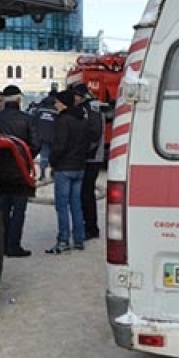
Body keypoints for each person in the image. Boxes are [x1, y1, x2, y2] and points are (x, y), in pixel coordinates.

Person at [0, 85, 40, 258]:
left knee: (2, 208)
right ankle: (14, 245)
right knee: (19, 209)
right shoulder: (28, 119)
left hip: (0, 169)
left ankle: (1, 244)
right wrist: (26, 158)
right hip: (21, 170)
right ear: (19, 99)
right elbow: (36, 144)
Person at [45, 89, 89, 254]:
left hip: (64, 168)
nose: (55, 104)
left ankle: (63, 240)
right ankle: (79, 239)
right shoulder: (82, 120)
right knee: (76, 205)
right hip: (79, 167)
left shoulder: (63, 120)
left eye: (57, 102)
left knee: (62, 206)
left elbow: (60, 146)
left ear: (63, 103)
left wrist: (52, 161)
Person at [72, 83, 105, 240]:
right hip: (91, 157)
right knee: (84, 193)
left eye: (76, 96)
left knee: (86, 194)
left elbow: (94, 134)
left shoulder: (91, 109)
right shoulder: (91, 107)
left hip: (90, 158)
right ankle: (88, 226)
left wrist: (84, 152)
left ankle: (91, 228)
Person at [33, 89, 58, 182]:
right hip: (54, 135)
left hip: (42, 135)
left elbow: (34, 121)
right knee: (55, 154)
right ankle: (53, 172)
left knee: (44, 155)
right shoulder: (57, 108)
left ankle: (42, 174)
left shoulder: (40, 107)